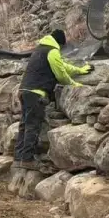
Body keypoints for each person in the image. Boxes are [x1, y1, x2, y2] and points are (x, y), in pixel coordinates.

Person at [14, 29, 92, 165]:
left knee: (25, 125)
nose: (61, 49)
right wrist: (75, 84)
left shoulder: (40, 50)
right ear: (60, 43)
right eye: (62, 46)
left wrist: (80, 70)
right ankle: (27, 160)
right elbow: (60, 74)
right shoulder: (52, 51)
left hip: (24, 91)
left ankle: (19, 157)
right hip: (36, 93)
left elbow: (62, 65)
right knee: (33, 125)